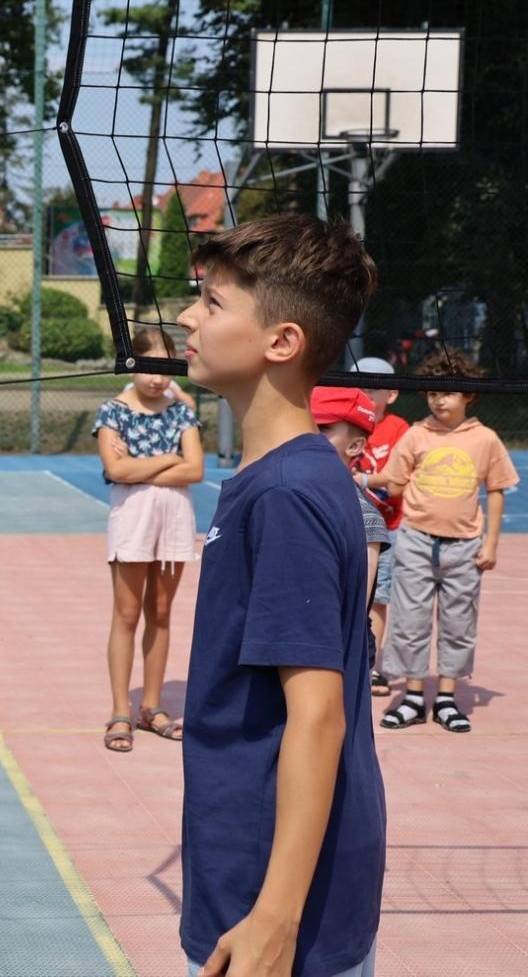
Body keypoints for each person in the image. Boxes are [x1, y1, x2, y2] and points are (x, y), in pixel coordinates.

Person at [174, 215, 385, 977]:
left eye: (212, 301)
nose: (187, 316)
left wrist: (274, 917)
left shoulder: (287, 493)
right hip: (255, 876)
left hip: (278, 906)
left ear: (283, 342)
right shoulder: (280, 478)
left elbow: (318, 716)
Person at [368, 349, 519, 734]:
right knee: (411, 620)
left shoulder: (484, 439)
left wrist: (491, 545)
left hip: (464, 545)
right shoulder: (417, 434)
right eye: (433, 391)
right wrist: (361, 478)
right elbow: (396, 481)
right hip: (416, 540)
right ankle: (415, 697)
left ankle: (448, 697)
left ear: (468, 395)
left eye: (449, 391)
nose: (439, 398)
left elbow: (498, 490)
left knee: (458, 622)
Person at [93, 326, 204, 753]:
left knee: (160, 612)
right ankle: (121, 709)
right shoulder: (112, 411)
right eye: (150, 367)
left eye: (166, 368)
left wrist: (143, 463)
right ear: (133, 364)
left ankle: (152, 706)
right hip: (132, 518)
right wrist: (169, 457)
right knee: (126, 613)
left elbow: (194, 470)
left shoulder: (182, 413)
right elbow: (116, 472)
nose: (157, 378)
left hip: (174, 517)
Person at [348, 356, 410, 695]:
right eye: (359, 387)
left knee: (377, 597)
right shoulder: (346, 423)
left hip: (388, 526)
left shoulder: (399, 429)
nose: (366, 395)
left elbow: (398, 480)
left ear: (392, 394)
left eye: (374, 389)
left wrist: (363, 479)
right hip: (349, 523)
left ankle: (369, 664)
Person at [311, 386, 392, 612]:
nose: (307, 436)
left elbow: (354, 608)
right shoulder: (278, 495)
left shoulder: (362, 516)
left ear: (355, 446)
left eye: (322, 429)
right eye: (304, 425)